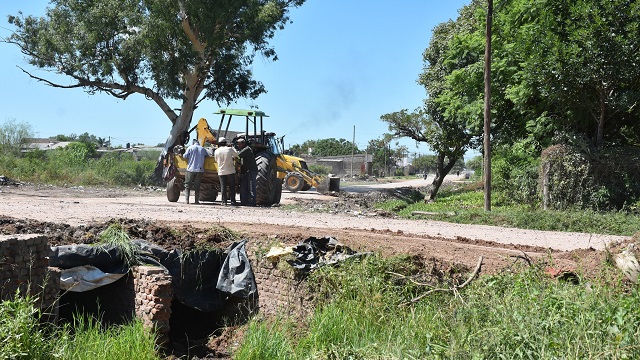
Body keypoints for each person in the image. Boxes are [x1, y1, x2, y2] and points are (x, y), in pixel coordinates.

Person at [182, 138, 208, 204]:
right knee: (197, 186)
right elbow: (207, 156)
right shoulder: (202, 149)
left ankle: (187, 200)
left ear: (193, 143)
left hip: (190, 169)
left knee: (187, 185)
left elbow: (184, 156)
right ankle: (196, 201)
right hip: (199, 170)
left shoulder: (190, 148)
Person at [214, 137, 238, 205]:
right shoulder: (230, 149)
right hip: (230, 171)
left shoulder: (217, 151)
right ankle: (233, 201)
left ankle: (224, 202)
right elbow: (237, 155)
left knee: (223, 187)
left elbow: (215, 160)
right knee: (232, 187)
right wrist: (233, 148)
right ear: (225, 143)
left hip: (221, 171)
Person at [235, 138, 258, 206]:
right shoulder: (245, 149)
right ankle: (245, 201)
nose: (238, 146)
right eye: (237, 144)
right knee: (245, 186)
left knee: (251, 186)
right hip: (246, 171)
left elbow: (238, 156)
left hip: (251, 170)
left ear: (243, 143)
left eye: (239, 144)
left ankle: (253, 202)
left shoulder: (247, 149)